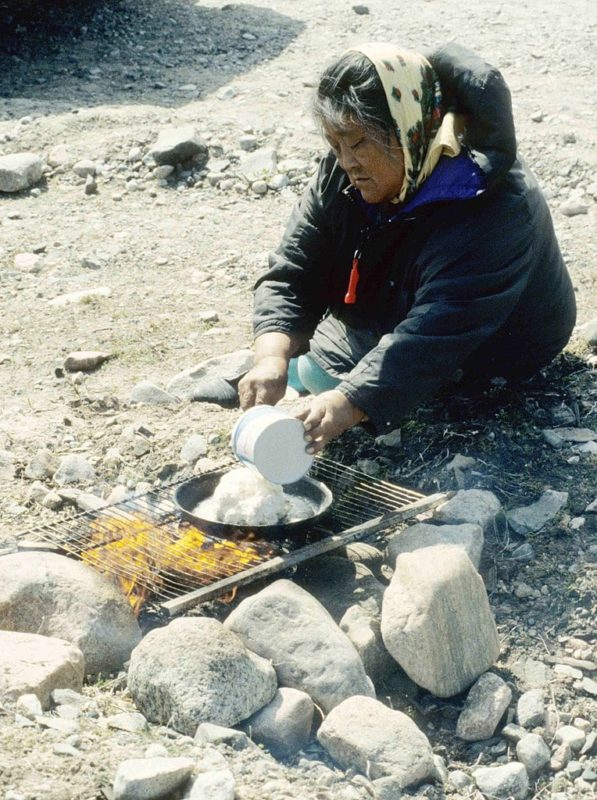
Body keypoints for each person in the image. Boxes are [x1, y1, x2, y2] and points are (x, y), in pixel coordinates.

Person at [238, 43, 576, 454]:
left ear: (406, 131)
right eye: (335, 144)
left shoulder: (494, 203)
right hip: (400, 306)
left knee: (341, 388)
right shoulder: (344, 171)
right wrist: (271, 356)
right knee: (299, 365)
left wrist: (347, 405)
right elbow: (295, 267)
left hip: (494, 344)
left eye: (358, 143)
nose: (346, 161)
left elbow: (439, 331)